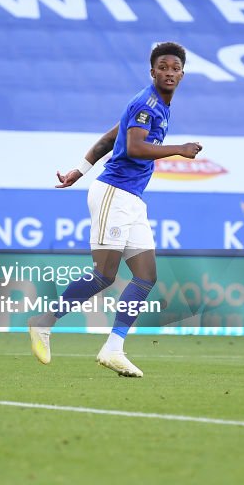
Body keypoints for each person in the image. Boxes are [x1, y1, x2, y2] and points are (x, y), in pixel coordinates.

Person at [27, 42, 202, 377]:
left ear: (182, 74)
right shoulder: (146, 104)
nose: (168, 72)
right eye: (162, 67)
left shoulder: (160, 106)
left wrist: (78, 169)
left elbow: (110, 139)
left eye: (174, 68)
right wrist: (179, 149)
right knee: (104, 275)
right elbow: (134, 148)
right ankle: (42, 322)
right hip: (114, 193)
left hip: (132, 199)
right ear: (152, 72)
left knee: (146, 275)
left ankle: (113, 348)